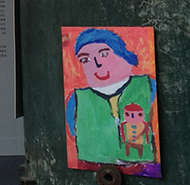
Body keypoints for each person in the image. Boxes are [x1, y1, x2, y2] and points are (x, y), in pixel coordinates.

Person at [65, 28, 156, 166]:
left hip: (144, 168)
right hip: (93, 168)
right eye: (85, 59)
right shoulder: (76, 99)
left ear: (121, 53)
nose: (97, 64)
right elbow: (73, 132)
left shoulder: (149, 86)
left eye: (104, 54)